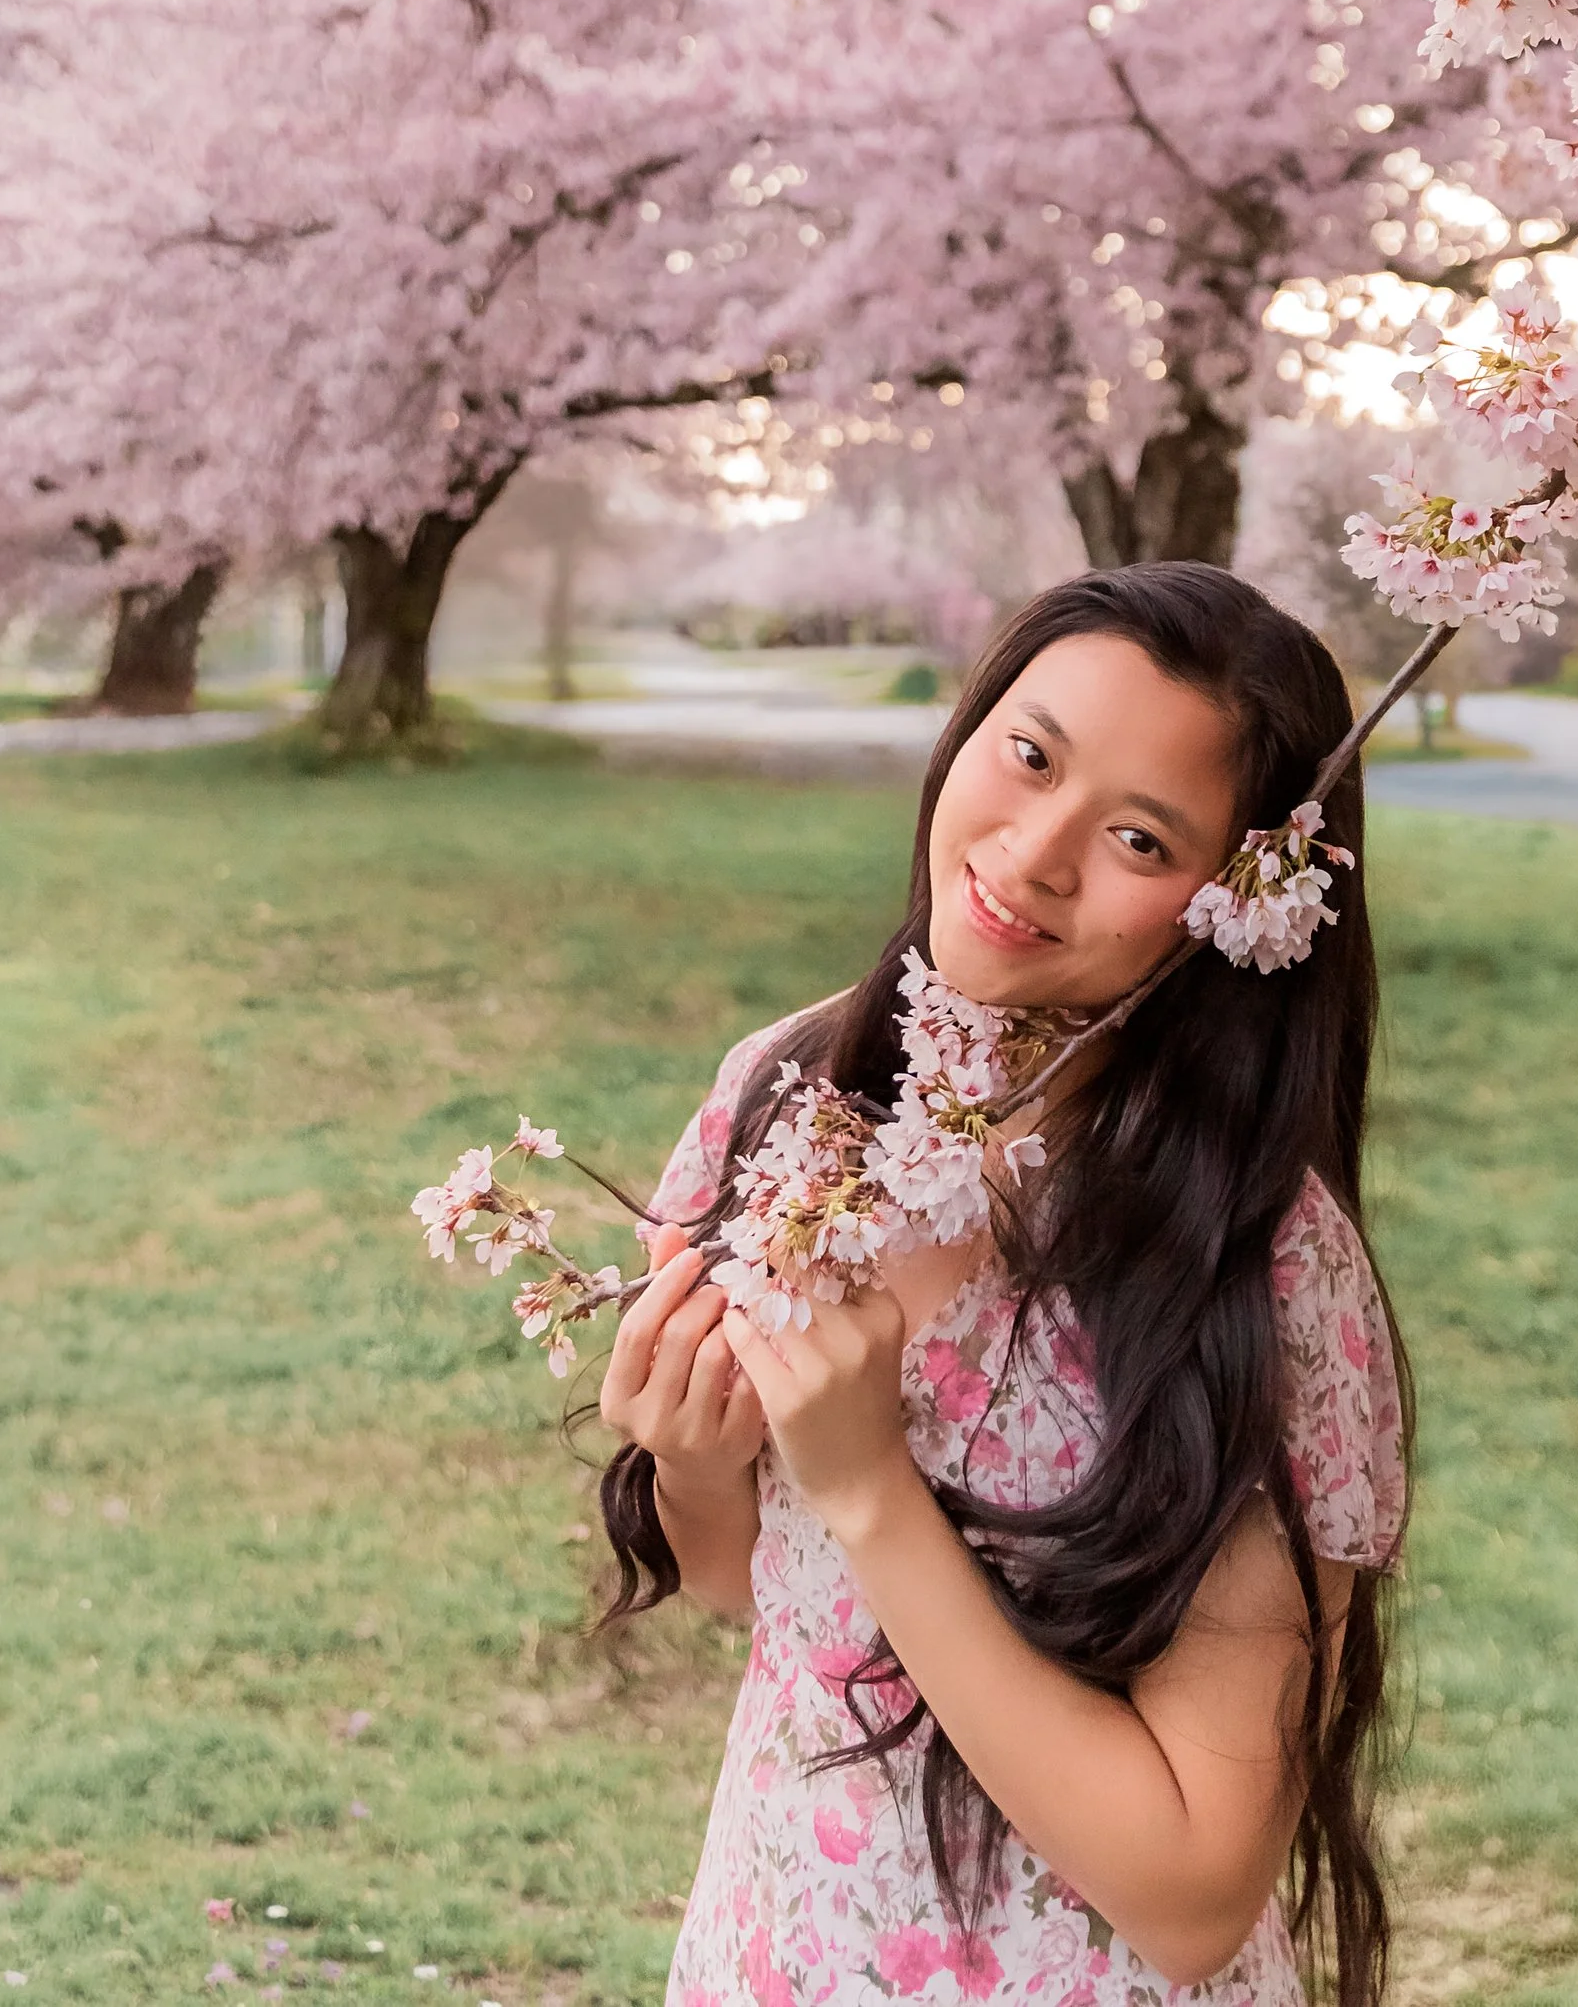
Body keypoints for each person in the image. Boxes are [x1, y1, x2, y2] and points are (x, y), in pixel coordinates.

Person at [597, 561, 1411, 2007]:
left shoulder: (1256, 1265)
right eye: (1029, 755)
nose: (1035, 854)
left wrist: (870, 1486)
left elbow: (1193, 1891)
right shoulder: (789, 1093)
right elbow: (746, 1586)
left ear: (1240, 906)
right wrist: (694, 1454)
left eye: (1140, 837)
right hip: (773, 1955)